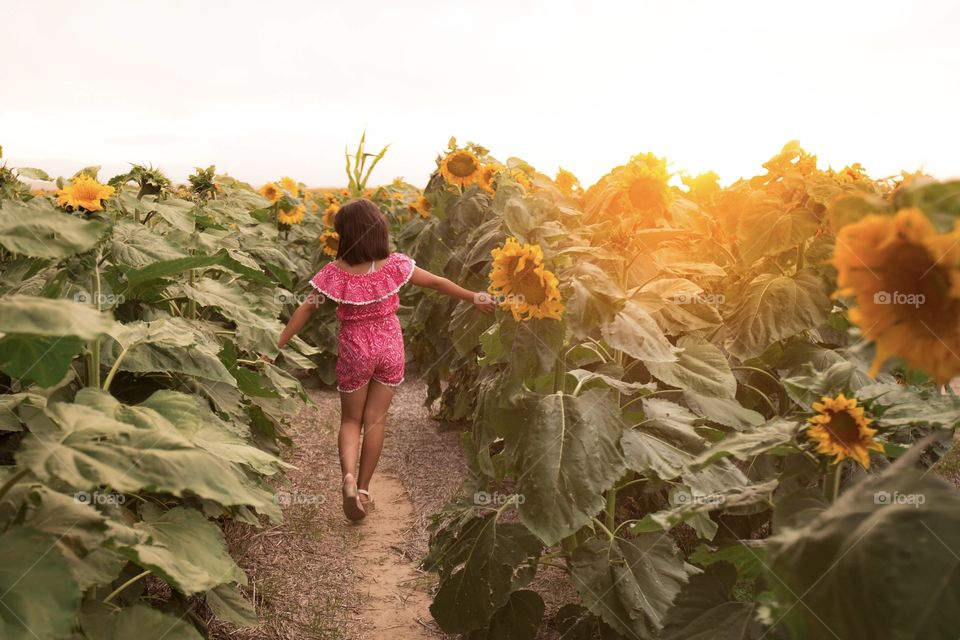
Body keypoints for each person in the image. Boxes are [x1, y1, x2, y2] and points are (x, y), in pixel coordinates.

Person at [267, 198, 495, 521]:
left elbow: (306, 308)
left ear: (345, 235)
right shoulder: (396, 265)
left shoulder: (336, 273)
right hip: (390, 346)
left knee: (350, 421)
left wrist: (277, 344)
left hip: (354, 348)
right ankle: (363, 490)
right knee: (376, 420)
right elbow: (435, 283)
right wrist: (474, 296)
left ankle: (347, 477)